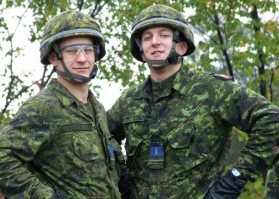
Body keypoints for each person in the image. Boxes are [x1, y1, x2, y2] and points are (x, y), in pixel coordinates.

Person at [107, 4, 279, 199]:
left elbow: (272, 121)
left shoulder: (211, 90)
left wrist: (233, 181)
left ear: (181, 46)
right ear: (141, 50)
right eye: (147, 37)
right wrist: (122, 175)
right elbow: (101, 135)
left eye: (163, 35)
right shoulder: (130, 100)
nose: (154, 42)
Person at [0, 10, 123, 198]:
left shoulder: (97, 109)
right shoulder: (45, 107)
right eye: (72, 51)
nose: (82, 58)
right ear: (53, 57)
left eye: (88, 50)